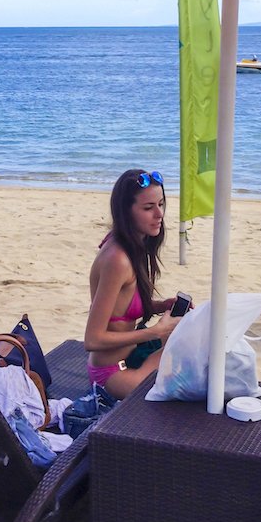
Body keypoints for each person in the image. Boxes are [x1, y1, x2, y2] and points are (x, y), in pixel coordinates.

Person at [84, 169, 185, 399]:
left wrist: (160, 306)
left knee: (193, 343)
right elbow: (92, 339)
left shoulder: (133, 245)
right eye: (148, 208)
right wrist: (154, 332)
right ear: (126, 213)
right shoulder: (117, 260)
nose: (159, 214)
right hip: (113, 374)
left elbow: (121, 305)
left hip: (131, 358)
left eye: (161, 204)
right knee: (192, 364)